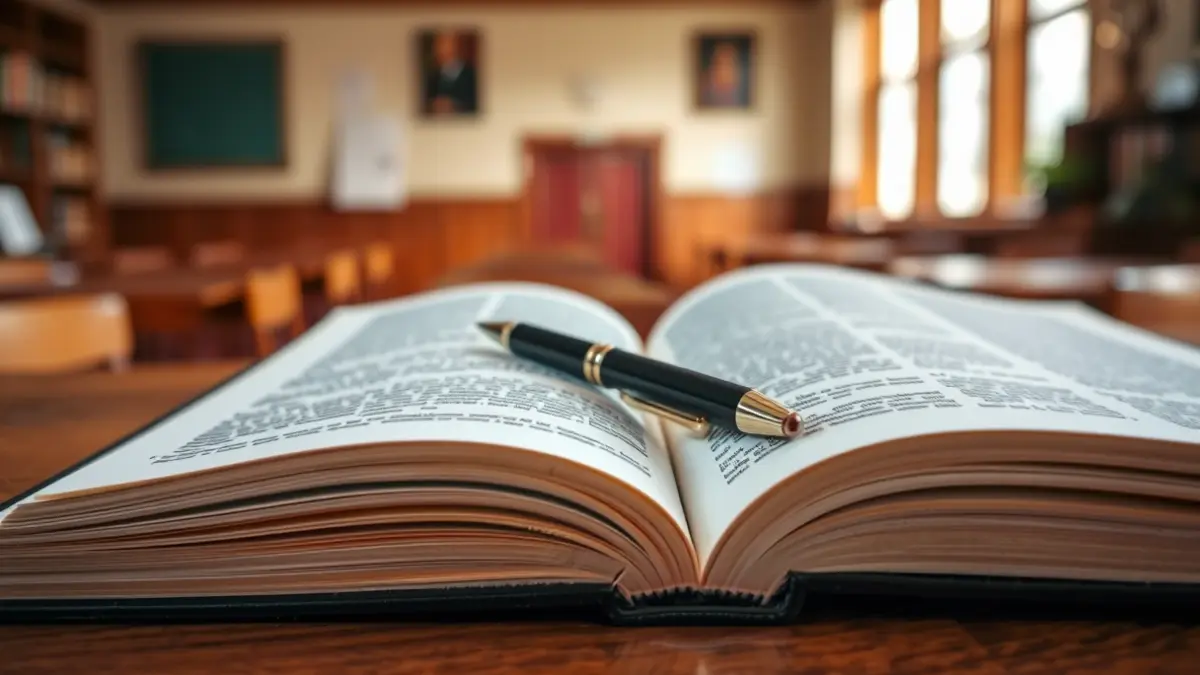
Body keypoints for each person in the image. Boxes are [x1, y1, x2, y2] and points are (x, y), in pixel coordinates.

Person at [424, 31, 478, 115]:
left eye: (445, 44)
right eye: (438, 44)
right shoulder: (432, 76)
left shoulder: (472, 74)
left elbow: (476, 104)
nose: (441, 49)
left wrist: (454, 105)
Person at [701, 40, 747, 108]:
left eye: (729, 64)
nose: (723, 70)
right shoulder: (704, 91)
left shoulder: (743, 93)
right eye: (719, 63)